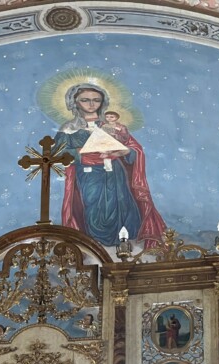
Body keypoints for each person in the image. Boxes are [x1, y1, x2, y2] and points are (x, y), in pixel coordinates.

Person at [55, 83, 165, 248]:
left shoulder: (112, 126)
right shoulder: (69, 128)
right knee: (93, 204)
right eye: (85, 100)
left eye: (96, 100)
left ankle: (125, 241)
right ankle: (96, 243)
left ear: (103, 102)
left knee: (122, 202)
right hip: (89, 173)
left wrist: (124, 151)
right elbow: (58, 153)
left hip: (115, 171)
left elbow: (134, 148)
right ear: (75, 102)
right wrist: (80, 152)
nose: (91, 104)